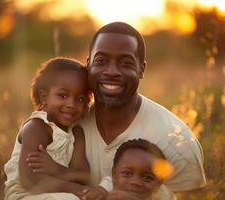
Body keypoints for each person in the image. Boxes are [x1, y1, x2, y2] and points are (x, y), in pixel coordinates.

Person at [79, 21, 207, 199]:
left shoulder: (176, 141)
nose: (112, 71)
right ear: (88, 65)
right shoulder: (66, 126)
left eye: (126, 63)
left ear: (142, 69)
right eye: (101, 61)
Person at [4, 57, 92, 200]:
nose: (71, 104)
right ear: (45, 97)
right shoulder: (36, 127)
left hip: (62, 193)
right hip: (25, 194)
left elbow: (83, 175)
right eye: (63, 95)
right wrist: (77, 189)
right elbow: (30, 180)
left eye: (80, 99)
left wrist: (55, 169)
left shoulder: (77, 133)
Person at [107, 138, 174, 200]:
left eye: (147, 178)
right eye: (127, 173)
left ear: (159, 183)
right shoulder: (103, 194)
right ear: (114, 174)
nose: (135, 182)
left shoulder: (166, 197)